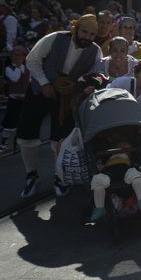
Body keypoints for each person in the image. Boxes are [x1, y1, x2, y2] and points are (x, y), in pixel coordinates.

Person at [18, 14, 102, 197]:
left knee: (61, 136)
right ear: (76, 29)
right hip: (39, 90)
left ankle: (60, 176)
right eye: (84, 32)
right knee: (28, 132)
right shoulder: (54, 38)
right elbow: (32, 59)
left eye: (92, 34)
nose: (87, 37)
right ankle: (31, 175)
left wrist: (77, 86)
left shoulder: (95, 51)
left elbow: (96, 74)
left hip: (66, 97)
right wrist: (45, 83)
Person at [89, 133, 141, 221]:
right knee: (98, 180)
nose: (122, 146)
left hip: (124, 168)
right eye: (120, 144)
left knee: (135, 175)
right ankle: (99, 208)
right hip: (110, 169)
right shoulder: (108, 156)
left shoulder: (129, 157)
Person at [1, 46, 30, 152]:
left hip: (24, 99)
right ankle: (3, 143)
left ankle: (17, 144)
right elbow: (15, 78)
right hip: (14, 99)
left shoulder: (27, 68)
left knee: (21, 122)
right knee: (9, 122)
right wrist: (18, 66)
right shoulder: (9, 68)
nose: (15, 56)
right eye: (14, 54)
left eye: (19, 55)